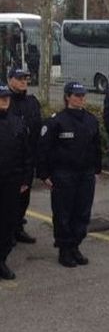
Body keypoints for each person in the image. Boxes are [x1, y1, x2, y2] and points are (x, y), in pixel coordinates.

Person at [37, 82, 102, 267]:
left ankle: (75, 246)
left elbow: (96, 147)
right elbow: (43, 149)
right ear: (67, 97)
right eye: (77, 95)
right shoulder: (56, 121)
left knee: (82, 213)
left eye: (83, 95)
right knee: (63, 213)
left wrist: (97, 169)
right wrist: (44, 174)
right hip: (64, 174)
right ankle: (64, 249)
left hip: (86, 174)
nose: (81, 98)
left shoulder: (90, 119)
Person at [0, 83, 32, 279]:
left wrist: (25, 178)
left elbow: (26, 154)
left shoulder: (17, 123)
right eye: (1, 97)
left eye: (6, 97)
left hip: (11, 181)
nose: (4, 100)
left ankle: (1, 259)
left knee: (8, 222)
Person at [7, 67, 41, 244]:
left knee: (24, 196)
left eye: (26, 79)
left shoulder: (31, 102)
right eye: (19, 78)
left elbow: (38, 128)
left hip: (28, 158)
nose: (23, 82)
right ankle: (7, 231)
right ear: (10, 79)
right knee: (7, 199)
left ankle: (18, 228)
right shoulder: (5, 100)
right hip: (10, 159)